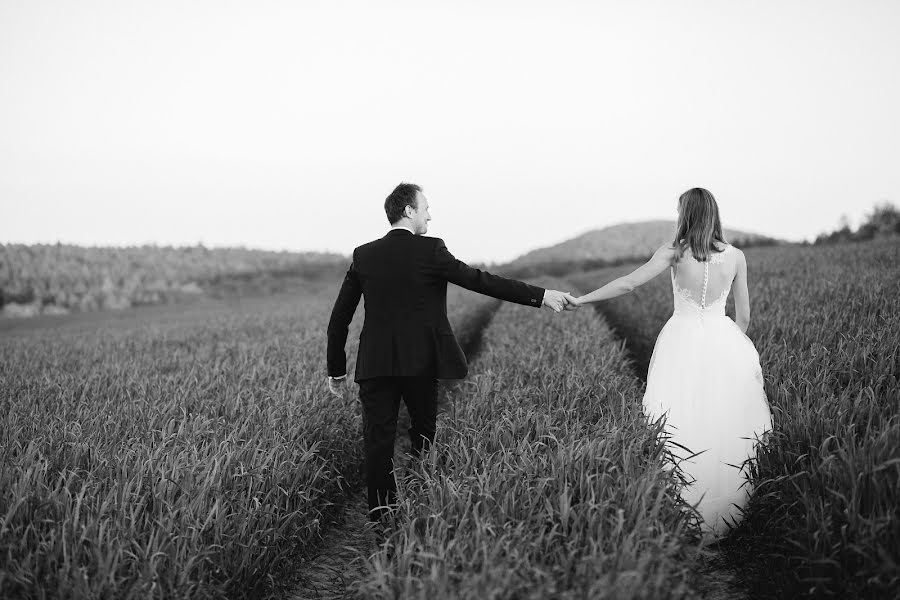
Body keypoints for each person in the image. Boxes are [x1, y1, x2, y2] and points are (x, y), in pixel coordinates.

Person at [326, 182, 577, 522]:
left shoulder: (364, 255)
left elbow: (339, 318)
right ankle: (420, 509)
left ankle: (384, 525)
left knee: (378, 446)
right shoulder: (431, 250)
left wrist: (336, 369)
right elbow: (481, 281)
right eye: (425, 206)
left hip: (376, 365)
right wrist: (540, 295)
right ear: (409, 211)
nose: (430, 213)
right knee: (424, 438)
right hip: (421, 363)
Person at [570, 187, 772, 540]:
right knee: (724, 418)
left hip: (680, 341)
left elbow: (629, 283)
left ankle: (680, 507)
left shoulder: (675, 253)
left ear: (687, 214)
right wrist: (729, 348)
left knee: (678, 416)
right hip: (725, 340)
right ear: (714, 213)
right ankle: (736, 512)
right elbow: (744, 317)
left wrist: (583, 299)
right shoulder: (737, 256)